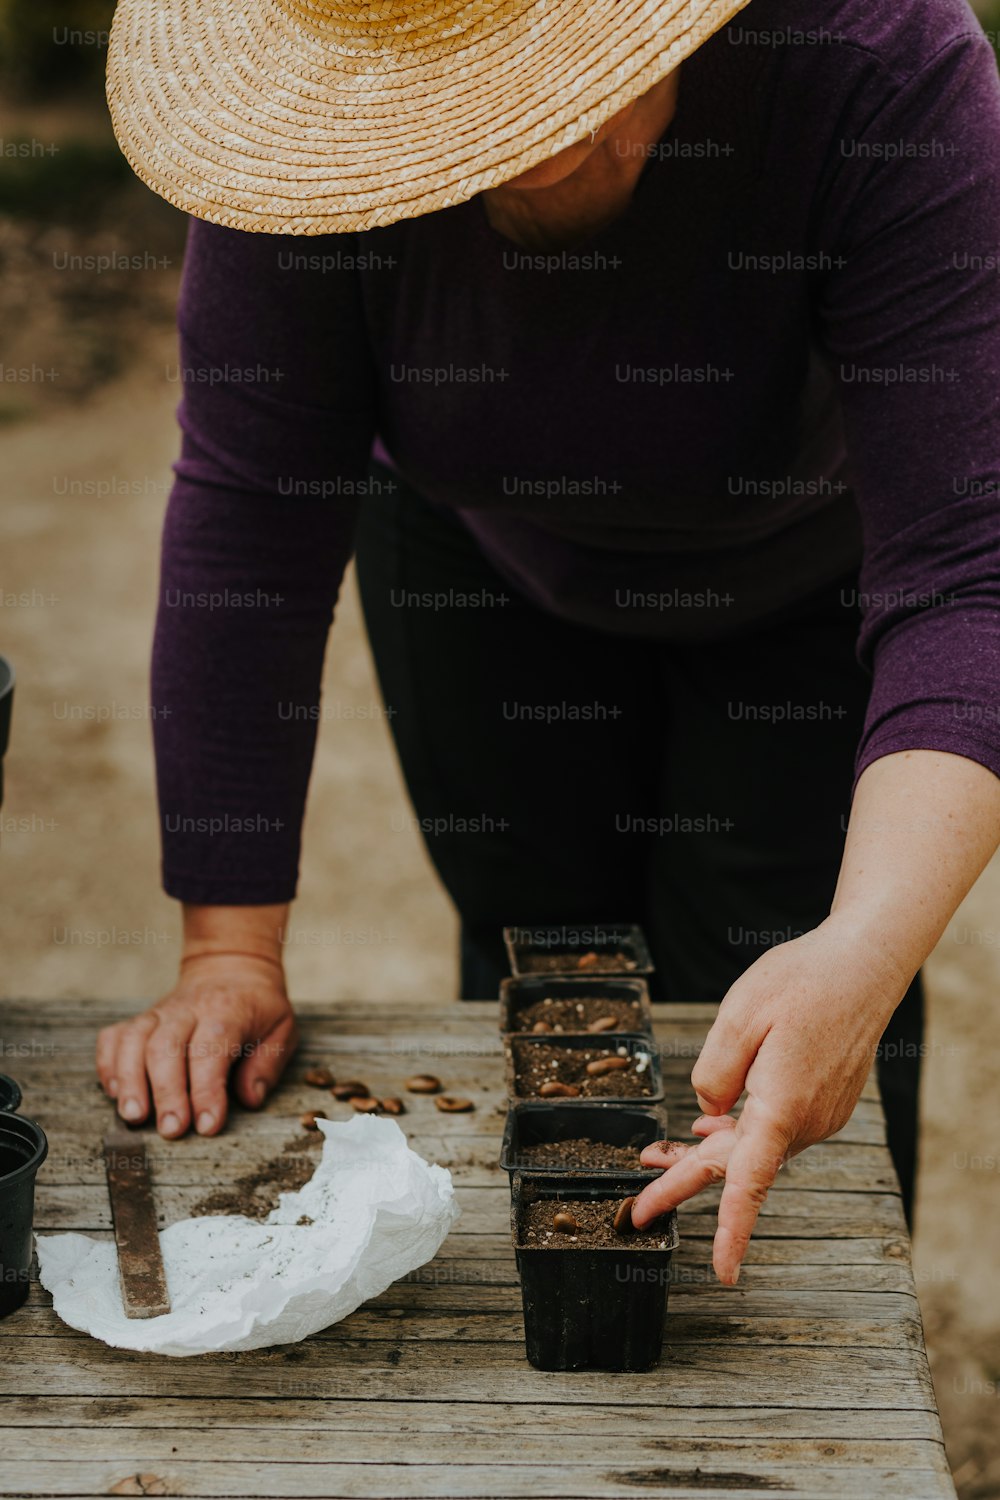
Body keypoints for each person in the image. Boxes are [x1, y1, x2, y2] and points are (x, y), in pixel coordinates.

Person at [97, 0, 1000, 1284]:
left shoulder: (880, 66)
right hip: (482, 562)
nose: (532, 130)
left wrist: (861, 952)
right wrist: (226, 951)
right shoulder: (301, 109)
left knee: (782, 1017)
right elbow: (253, 513)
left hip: (808, 585)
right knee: (541, 968)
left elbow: (971, 572)